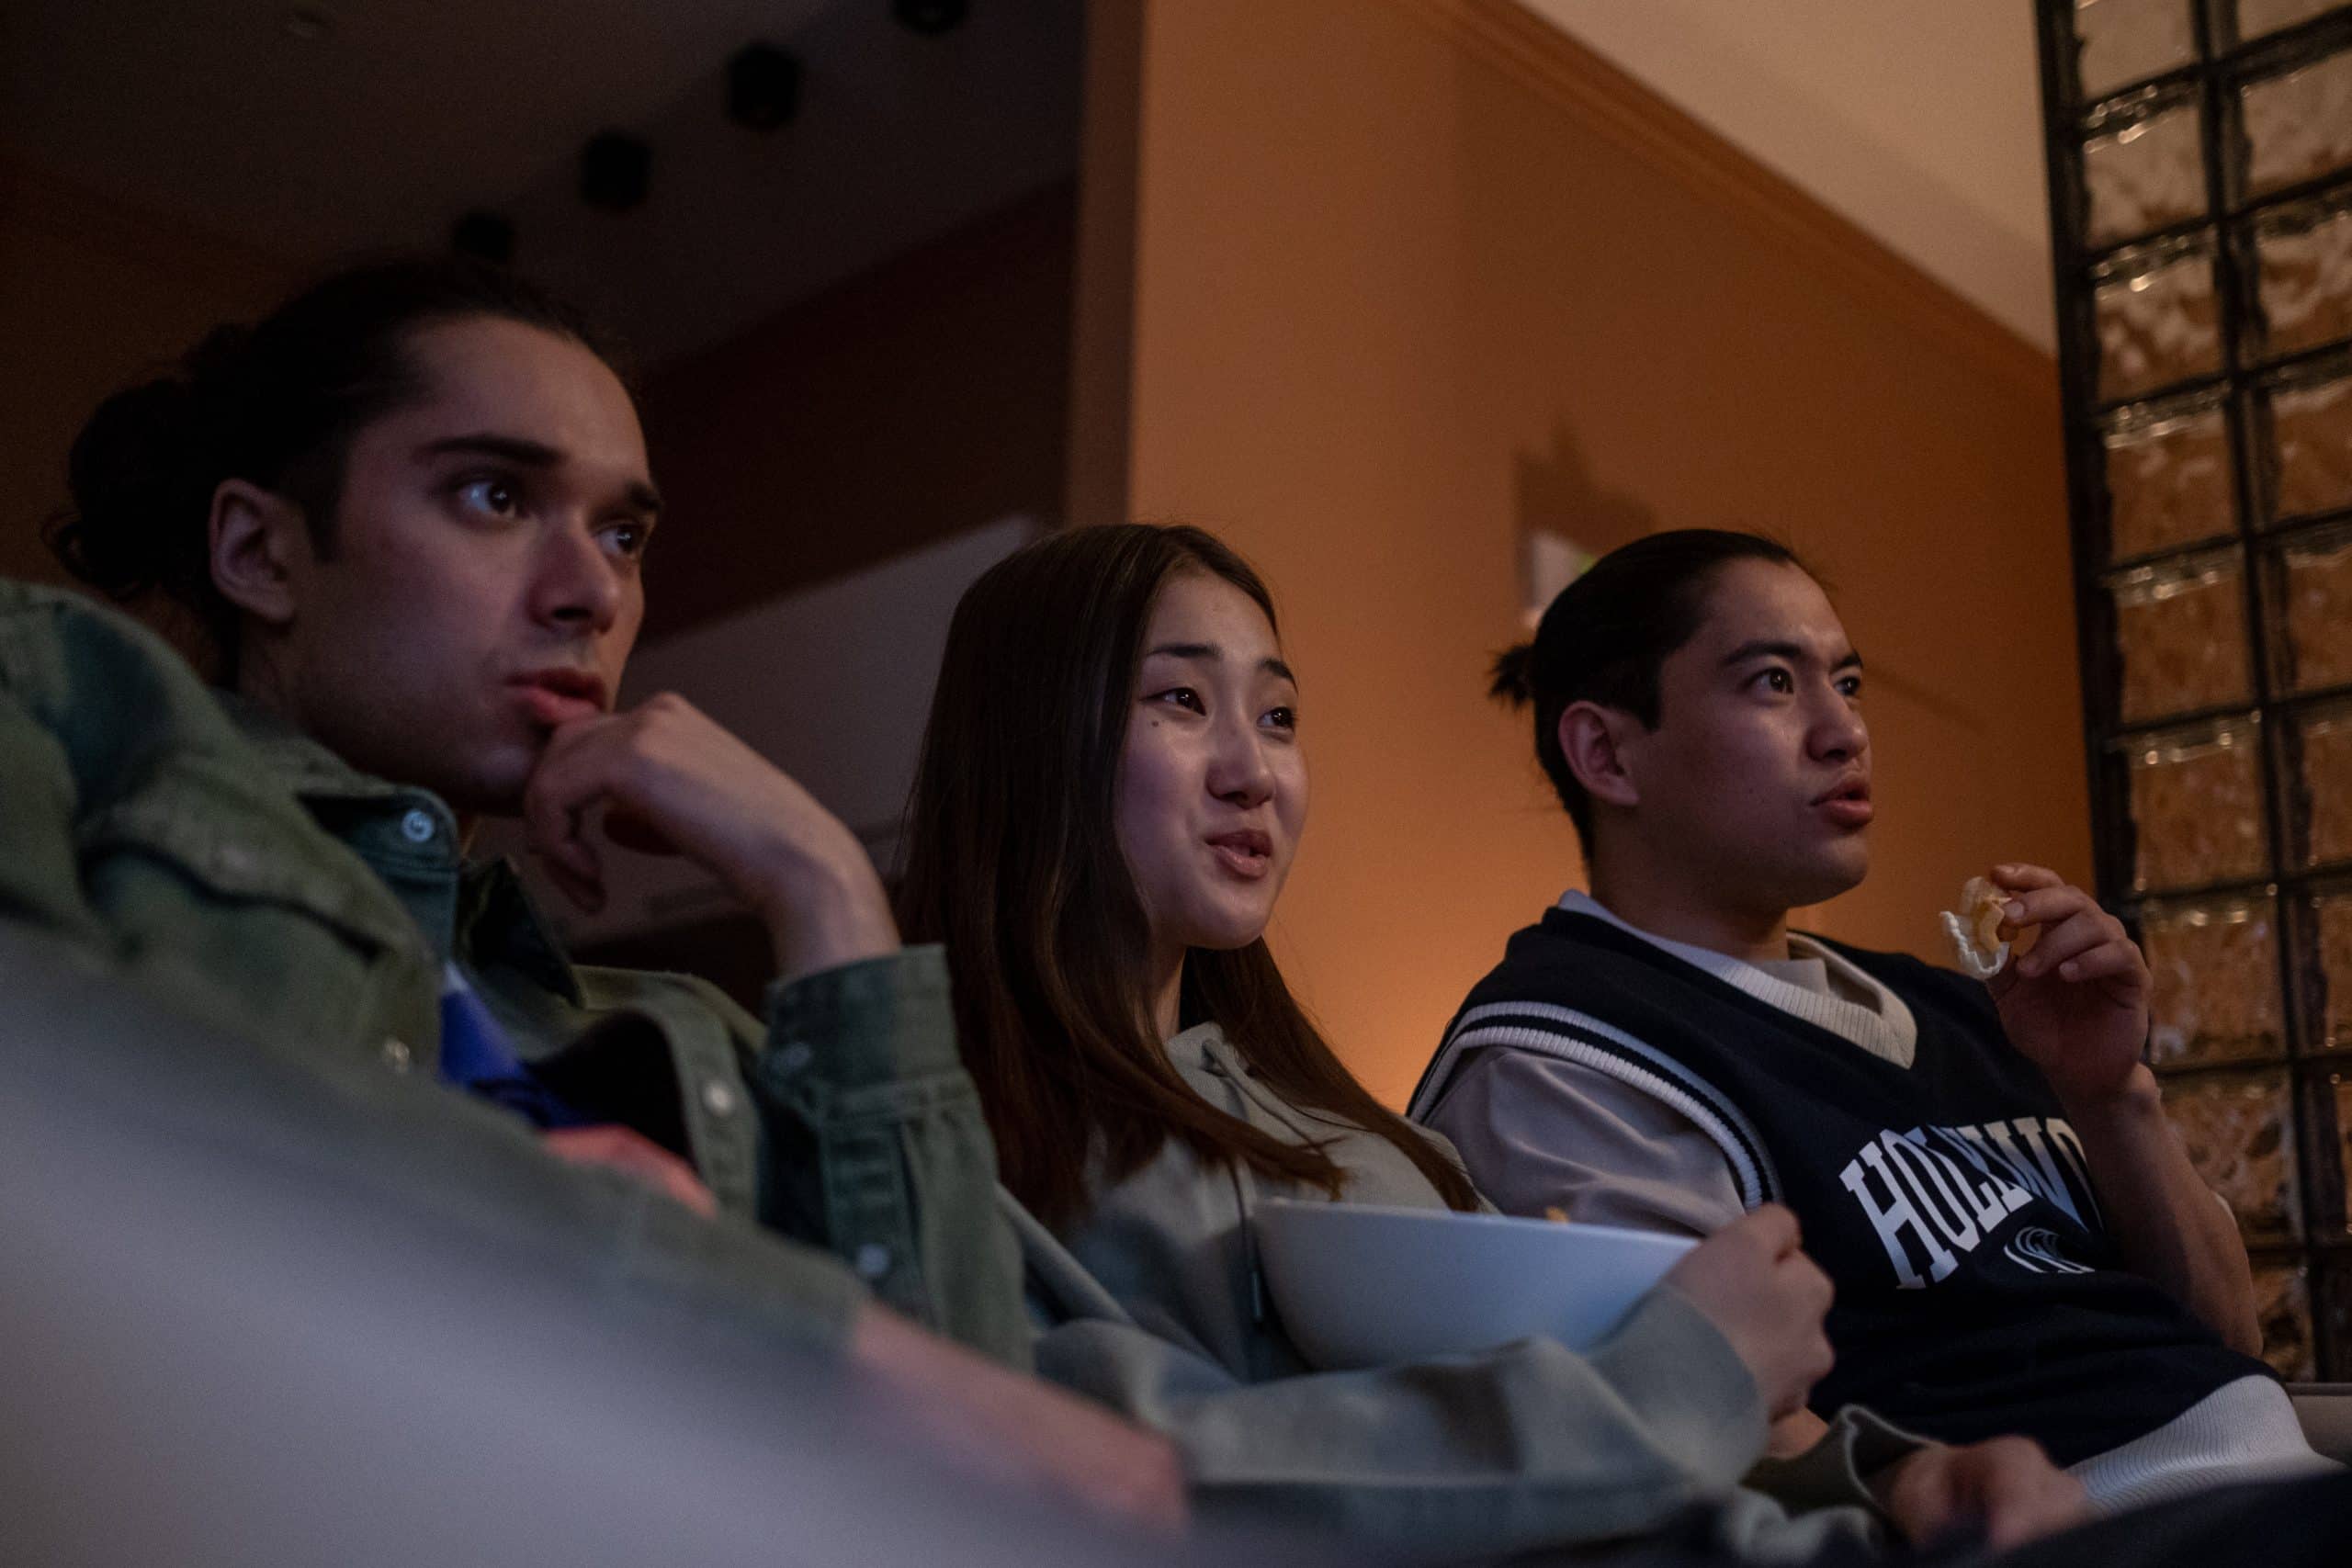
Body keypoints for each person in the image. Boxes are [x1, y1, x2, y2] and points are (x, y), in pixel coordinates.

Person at [1, 254, 1180, 1524]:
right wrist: (687, 1285)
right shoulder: (60, 700)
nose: (595, 591)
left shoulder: (683, 1031)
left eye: (623, 532)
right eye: (496, 494)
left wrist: (826, 884)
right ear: (261, 551)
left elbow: (987, 1464)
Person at [895, 522, 2093, 1562]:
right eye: (1179, 699)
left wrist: (1879, 1478)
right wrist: (1689, 1373)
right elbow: (1128, 1475)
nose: (1252, 772)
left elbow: (1606, 1443)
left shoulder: (1361, 1136)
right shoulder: (948, 1141)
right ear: (1036, 735)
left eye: (1278, 714)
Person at [1411, 529, 2335, 1512]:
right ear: (1606, 753)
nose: (1842, 731)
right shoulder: (1562, 1053)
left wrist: (2111, 1095)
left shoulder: (1964, 1004)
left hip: (2266, 1482)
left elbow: (2227, 1338)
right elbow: (1712, 1423)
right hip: (2082, 1521)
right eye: (1772, 683)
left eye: (1845, 683)